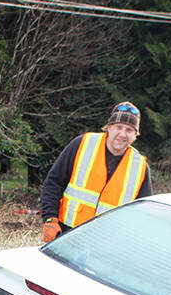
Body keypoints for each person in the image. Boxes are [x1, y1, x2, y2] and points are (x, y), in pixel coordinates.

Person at [39, 101, 152, 242]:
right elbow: (53, 183)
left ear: (136, 135)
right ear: (109, 128)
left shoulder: (140, 167)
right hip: (66, 233)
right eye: (119, 127)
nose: (122, 134)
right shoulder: (82, 144)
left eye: (129, 130)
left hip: (106, 243)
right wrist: (50, 219)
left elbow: (142, 213)